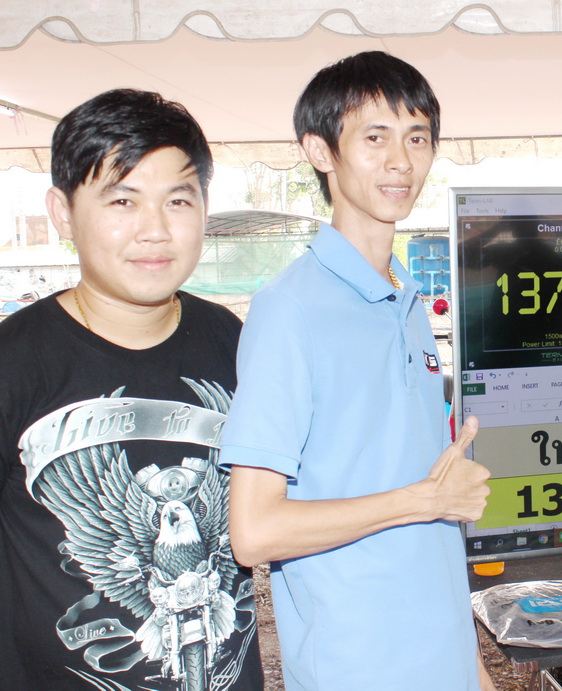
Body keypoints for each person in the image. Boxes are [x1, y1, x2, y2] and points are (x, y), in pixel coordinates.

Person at [220, 51, 495, 690]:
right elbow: (254, 532)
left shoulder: (408, 301)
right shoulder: (289, 309)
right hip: (357, 667)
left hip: (442, 659)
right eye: (375, 137)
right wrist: (423, 500)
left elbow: (428, 523)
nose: (401, 161)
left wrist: (473, 669)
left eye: (417, 138)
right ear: (320, 151)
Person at [0, 89, 264, 690]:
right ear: (62, 212)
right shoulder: (14, 363)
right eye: (123, 200)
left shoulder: (232, 340)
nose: (155, 230)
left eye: (178, 200)